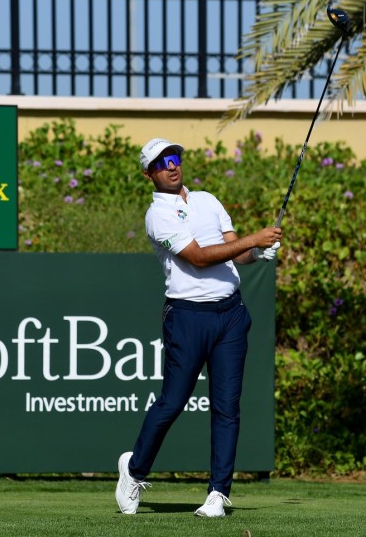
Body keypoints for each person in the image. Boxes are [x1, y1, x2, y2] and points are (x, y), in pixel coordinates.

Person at [115, 138, 282, 518]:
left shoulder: (207, 200)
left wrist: (257, 251)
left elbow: (234, 250)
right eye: (161, 163)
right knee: (173, 402)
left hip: (231, 314)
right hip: (187, 317)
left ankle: (218, 493)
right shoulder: (157, 215)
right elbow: (199, 258)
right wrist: (254, 239)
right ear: (148, 175)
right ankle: (135, 470)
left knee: (227, 407)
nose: (172, 166)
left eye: (174, 158)